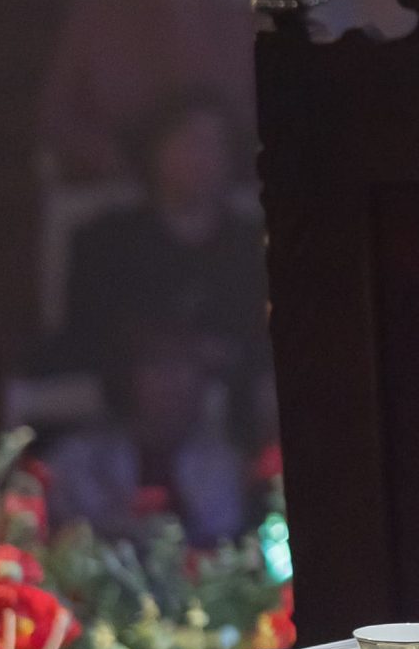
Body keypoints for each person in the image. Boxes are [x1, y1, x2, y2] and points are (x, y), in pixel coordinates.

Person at [49, 96, 269, 425]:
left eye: (215, 144)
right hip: (120, 397)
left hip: (239, 396)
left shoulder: (253, 242)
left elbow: (259, 330)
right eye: (190, 141)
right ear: (156, 149)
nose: (202, 157)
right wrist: (169, 350)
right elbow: (86, 326)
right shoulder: (108, 239)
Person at [40, 0, 256, 184]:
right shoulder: (93, 17)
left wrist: (181, 17)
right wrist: (100, 154)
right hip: (119, 175)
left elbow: (246, 106)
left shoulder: (232, 18)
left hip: (219, 178)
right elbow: (55, 114)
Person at [44, 325, 249, 546]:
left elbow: (223, 532)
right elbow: (72, 530)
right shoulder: (79, 456)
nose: (172, 380)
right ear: (129, 378)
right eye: (157, 364)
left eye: (185, 364)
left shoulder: (222, 462)